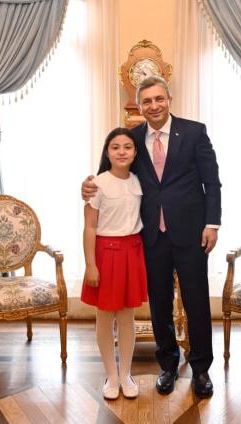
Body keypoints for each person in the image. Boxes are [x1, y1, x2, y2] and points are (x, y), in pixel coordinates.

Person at [83, 76, 221, 398]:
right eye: (147, 101)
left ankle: (201, 369)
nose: (154, 105)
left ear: (169, 99)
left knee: (196, 301)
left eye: (159, 99)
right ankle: (167, 365)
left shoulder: (194, 132)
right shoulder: (131, 138)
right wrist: (88, 186)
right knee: (160, 303)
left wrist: (212, 224)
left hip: (191, 233)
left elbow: (212, 182)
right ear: (140, 106)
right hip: (150, 236)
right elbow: (113, 172)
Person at [81, 127, 149, 401]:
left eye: (127, 147)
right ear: (107, 152)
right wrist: (91, 265)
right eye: (115, 147)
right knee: (105, 315)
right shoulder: (97, 184)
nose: (122, 152)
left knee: (126, 317)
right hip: (106, 254)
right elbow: (89, 227)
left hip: (133, 251)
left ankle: (126, 374)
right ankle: (111, 375)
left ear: (135, 152)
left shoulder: (139, 181)